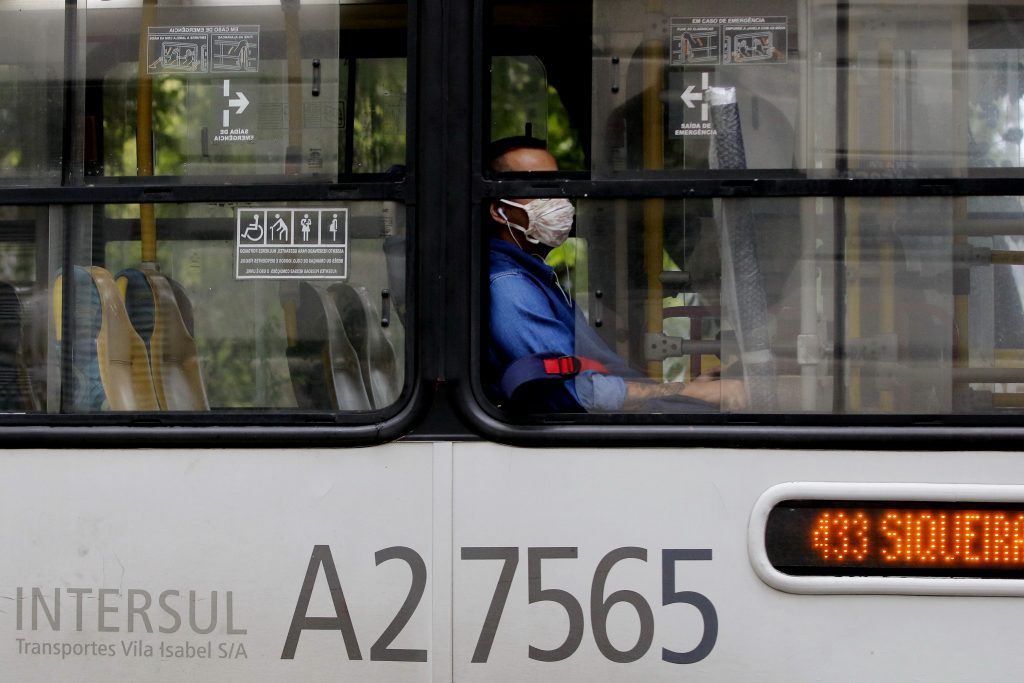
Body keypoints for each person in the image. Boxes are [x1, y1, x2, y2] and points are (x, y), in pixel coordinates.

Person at [485, 136, 747, 413]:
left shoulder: (537, 278)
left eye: (558, 185)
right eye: (539, 187)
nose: (557, 199)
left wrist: (685, 391)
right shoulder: (508, 286)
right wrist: (692, 391)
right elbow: (579, 393)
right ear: (499, 211)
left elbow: (600, 380)